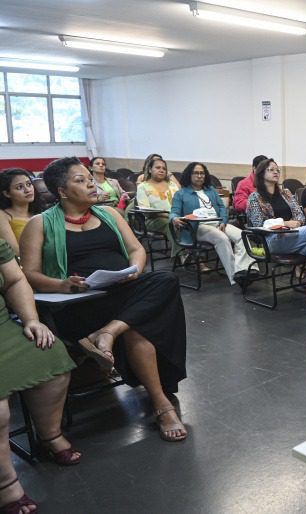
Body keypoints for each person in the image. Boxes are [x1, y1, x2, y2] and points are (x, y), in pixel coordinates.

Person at [20, 157, 189, 443]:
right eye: (79, 179)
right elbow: (30, 275)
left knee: (165, 280)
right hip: (78, 302)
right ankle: (162, 405)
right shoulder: (40, 224)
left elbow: (137, 251)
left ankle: (108, 332)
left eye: (89, 176)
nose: (90, 182)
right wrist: (63, 284)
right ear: (61, 191)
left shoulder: (111, 214)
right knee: (139, 323)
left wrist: (133, 270)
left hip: (121, 292)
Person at [1, 238, 80, 514]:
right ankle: (6, 483)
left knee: (51, 355)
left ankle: (49, 435)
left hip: (2, 327)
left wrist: (31, 319)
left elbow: (14, 281)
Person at [246, 158, 306, 311]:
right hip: (271, 240)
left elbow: (300, 215)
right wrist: (284, 223)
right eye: (271, 169)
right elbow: (258, 225)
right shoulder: (254, 197)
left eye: (277, 169)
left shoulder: (286, 193)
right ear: (261, 173)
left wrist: (293, 224)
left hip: (294, 235)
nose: (276, 172)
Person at [169, 162, 255, 286]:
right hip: (197, 227)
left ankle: (247, 270)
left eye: (202, 173)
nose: (199, 176)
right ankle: (235, 277)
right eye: (196, 173)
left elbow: (221, 208)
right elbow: (174, 212)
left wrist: (223, 221)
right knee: (222, 238)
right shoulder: (181, 194)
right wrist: (174, 219)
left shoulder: (211, 191)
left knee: (242, 235)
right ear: (189, 175)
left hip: (217, 223)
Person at [136, 156, 181, 257]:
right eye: (158, 167)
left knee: (191, 224)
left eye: (164, 168)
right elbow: (145, 210)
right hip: (155, 219)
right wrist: (168, 216)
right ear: (150, 170)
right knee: (171, 223)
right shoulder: (143, 186)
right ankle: (182, 254)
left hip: (176, 217)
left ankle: (187, 253)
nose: (161, 170)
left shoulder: (172, 184)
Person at [0, 169, 43, 255]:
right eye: (19, 187)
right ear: (6, 193)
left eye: (29, 184)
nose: (27, 190)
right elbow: (15, 252)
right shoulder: (3, 215)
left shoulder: (41, 213)